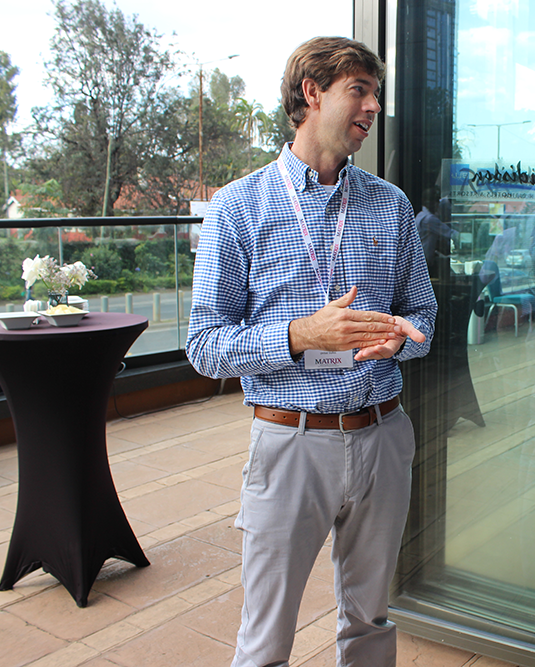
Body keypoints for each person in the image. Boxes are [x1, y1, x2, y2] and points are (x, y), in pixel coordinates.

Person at [186, 36, 437, 667]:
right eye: (360, 90)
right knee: (266, 636)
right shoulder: (238, 207)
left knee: (372, 619)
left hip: (383, 436)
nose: (374, 106)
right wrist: (302, 336)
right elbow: (204, 346)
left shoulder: (391, 204)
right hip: (289, 445)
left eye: (375, 93)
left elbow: (423, 313)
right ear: (312, 93)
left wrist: (396, 341)